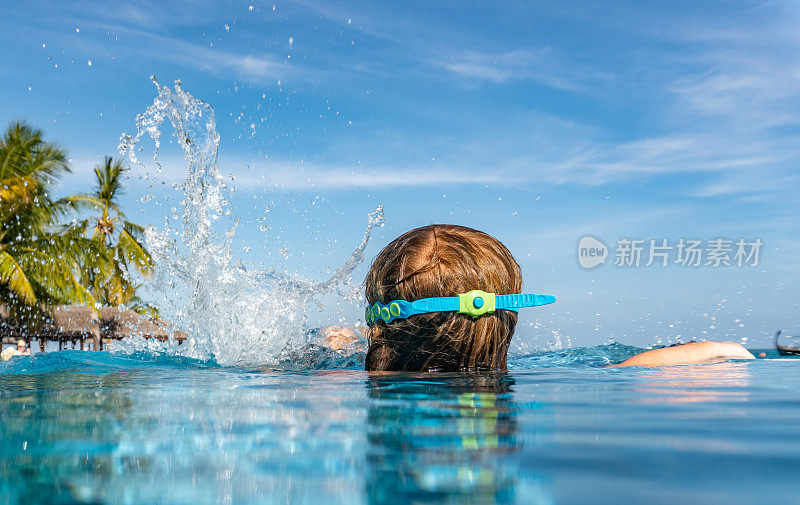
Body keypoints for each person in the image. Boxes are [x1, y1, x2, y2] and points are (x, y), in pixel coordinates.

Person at [363, 224, 754, 371]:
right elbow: (632, 367)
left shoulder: (350, 378)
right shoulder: (548, 378)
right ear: (507, 316)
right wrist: (718, 346)